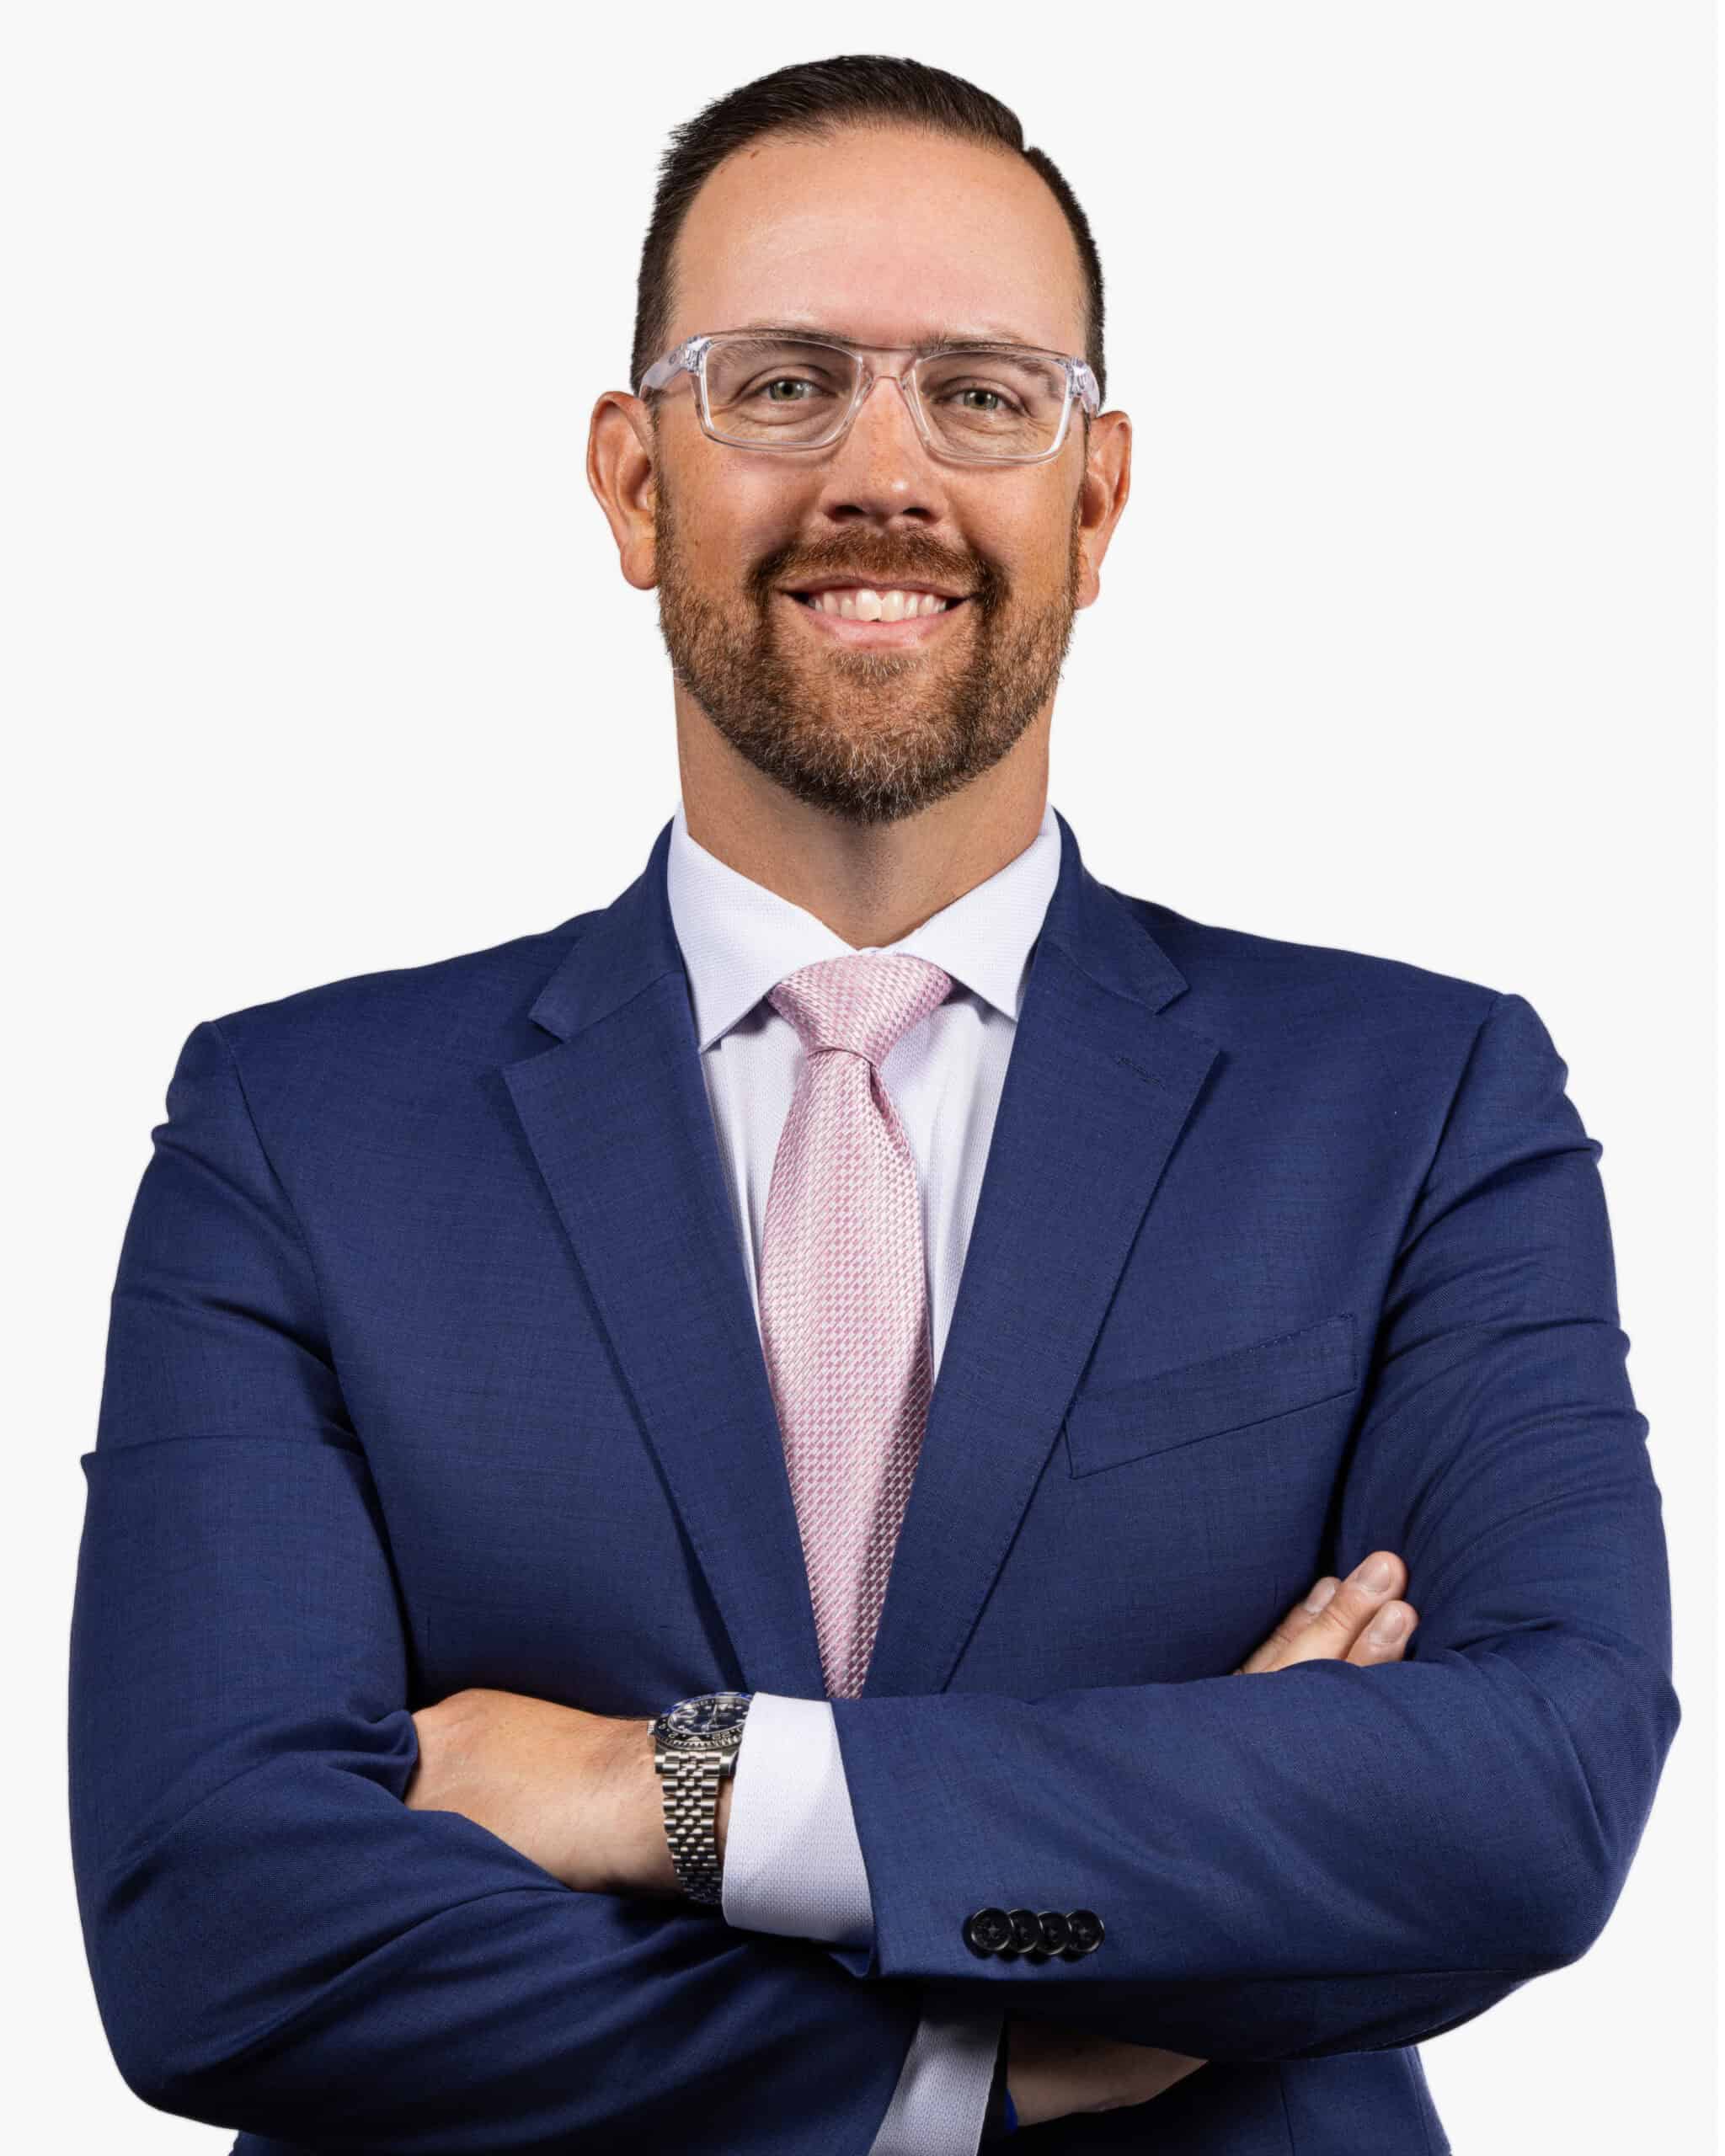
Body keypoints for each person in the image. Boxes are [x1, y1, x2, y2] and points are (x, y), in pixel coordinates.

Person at [68, 52, 1679, 2156]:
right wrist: (981, 2041)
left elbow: (1530, 1790)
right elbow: (218, 1929)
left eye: (983, 395)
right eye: (780, 382)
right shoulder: (295, 1130)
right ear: (636, 479)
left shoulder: (1416, 1100)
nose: (881, 473)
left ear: (1092, 502)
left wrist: (673, 1791)